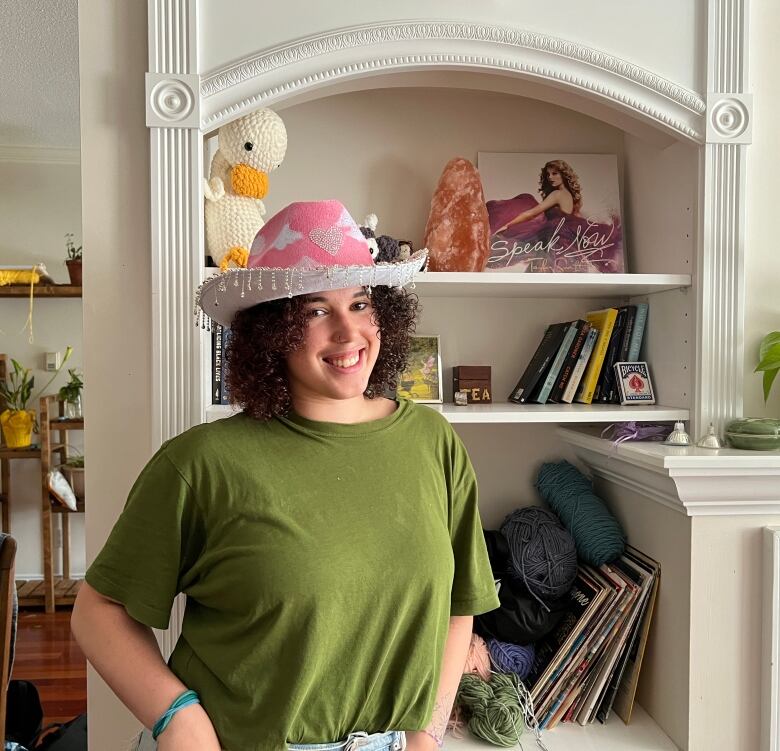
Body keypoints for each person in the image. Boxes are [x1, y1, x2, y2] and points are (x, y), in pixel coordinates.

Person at [72, 199, 500, 751]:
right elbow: (98, 610)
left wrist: (427, 733)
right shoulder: (201, 464)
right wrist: (178, 719)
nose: (349, 332)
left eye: (361, 303)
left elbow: (457, 605)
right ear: (273, 332)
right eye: (316, 311)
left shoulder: (435, 443)